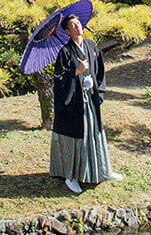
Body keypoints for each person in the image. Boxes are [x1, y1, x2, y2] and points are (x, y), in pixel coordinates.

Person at [49, 13, 122, 193]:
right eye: (72, 26)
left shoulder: (91, 45)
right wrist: (76, 72)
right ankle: (70, 176)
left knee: (95, 134)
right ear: (67, 31)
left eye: (78, 24)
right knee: (75, 139)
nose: (77, 27)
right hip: (73, 102)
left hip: (90, 99)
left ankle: (104, 170)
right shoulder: (65, 52)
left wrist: (95, 87)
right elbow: (58, 80)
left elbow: (100, 70)